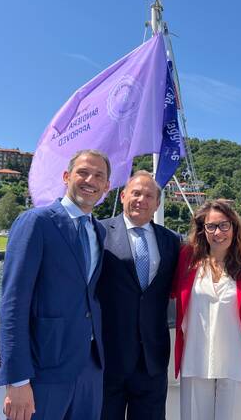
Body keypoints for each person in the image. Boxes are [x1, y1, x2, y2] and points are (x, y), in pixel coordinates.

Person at [0, 149, 111, 420]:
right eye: (83, 172)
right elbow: (13, 304)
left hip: (90, 368)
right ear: (66, 176)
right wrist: (18, 380)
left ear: (107, 187)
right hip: (44, 370)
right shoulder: (36, 222)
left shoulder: (99, 231)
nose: (90, 180)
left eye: (99, 175)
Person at [97, 170, 180, 420]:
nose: (141, 199)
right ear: (123, 196)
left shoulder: (171, 240)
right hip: (108, 358)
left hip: (152, 360)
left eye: (149, 195)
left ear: (157, 204)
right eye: (136, 193)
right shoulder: (98, 232)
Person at [173, 199, 241, 420]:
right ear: (203, 230)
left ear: (234, 226)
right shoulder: (187, 258)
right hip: (195, 357)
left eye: (224, 225)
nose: (218, 232)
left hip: (237, 360)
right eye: (211, 226)